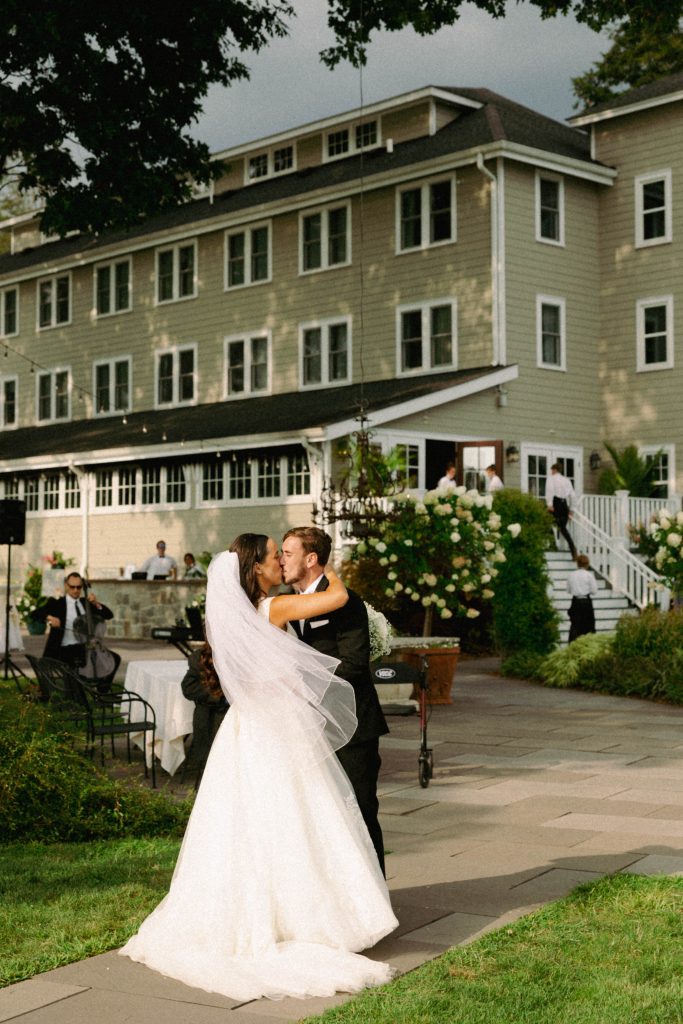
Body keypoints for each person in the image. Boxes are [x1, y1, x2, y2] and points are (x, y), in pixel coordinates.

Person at [120, 535, 397, 1001]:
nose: (278, 560)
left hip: (248, 728)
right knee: (296, 818)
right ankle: (308, 915)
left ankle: (267, 910)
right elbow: (338, 596)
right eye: (274, 556)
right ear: (256, 570)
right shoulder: (272, 609)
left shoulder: (238, 616)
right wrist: (329, 565)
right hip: (275, 726)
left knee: (252, 823)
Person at [280, 526, 389, 875]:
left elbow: (355, 664)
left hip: (353, 726)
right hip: (310, 728)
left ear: (311, 559)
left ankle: (376, 897)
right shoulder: (289, 602)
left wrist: (301, 682)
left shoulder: (345, 601)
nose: (282, 560)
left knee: (359, 810)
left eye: (287, 553)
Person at [31, 571, 113, 670]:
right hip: (65, 649)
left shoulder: (85, 603)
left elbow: (108, 615)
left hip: (85, 648)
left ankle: (102, 685)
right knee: (82, 660)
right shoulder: (57, 604)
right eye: (72, 587)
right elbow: (34, 614)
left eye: (78, 587)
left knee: (114, 660)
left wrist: (96, 603)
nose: (75, 590)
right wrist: (50, 618)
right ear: (66, 586)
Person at [180, 643, 228, 785]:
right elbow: (189, 688)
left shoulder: (245, 654)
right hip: (212, 717)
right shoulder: (201, 657)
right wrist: (219, 695)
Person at [545, 464, 577, 558]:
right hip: (564, 505)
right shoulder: (567, 480)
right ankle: (573, 549)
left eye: (552, 470)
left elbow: (549, 491)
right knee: (563, 528)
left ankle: (553, 545)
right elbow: (573, 495)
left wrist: (549, 504)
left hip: (556, 503)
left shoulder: (551, 479)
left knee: (546, 523)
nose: (551, 472)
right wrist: (572, 509)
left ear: (554, 470)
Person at [566, 554, 598, 643]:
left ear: (577, 564)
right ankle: (588, 644)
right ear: (587, 564)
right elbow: (594, 591)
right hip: (586, 602)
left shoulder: (571, 575)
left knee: (575, 625)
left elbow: (568, 590)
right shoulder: (589, 575)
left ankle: (573, 644)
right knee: (588, 624)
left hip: (575, 601)